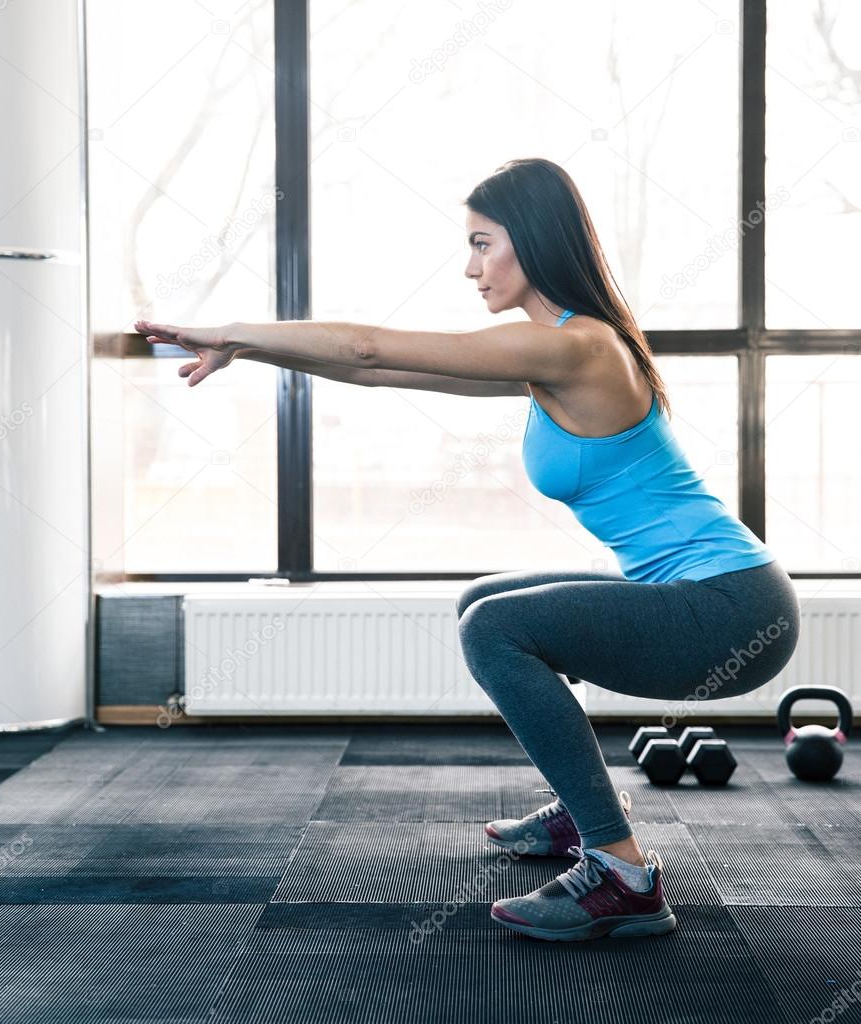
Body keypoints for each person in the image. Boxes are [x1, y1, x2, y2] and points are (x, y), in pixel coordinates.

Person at [134, 156, 800, 943]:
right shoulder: (550, 351)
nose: (469, 267)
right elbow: (379, 373)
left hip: (727, 610)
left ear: (536, 241)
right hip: (717, 595)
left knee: (496, 630)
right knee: (483, 603)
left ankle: (621, 875)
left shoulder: (574, 349)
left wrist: (228, 328)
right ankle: (583, 806)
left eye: (484, 244)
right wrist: (251, 352)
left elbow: (372, 346)